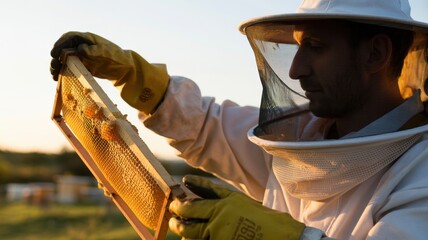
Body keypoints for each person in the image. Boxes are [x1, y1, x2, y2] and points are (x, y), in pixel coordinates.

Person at [50, 0, 428, 239]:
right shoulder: (296, 143)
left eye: (315, 47)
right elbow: (205, 126)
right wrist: (136, 77)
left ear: (375, 54)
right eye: (297, 48)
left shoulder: (419, 173)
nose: (296, 69)